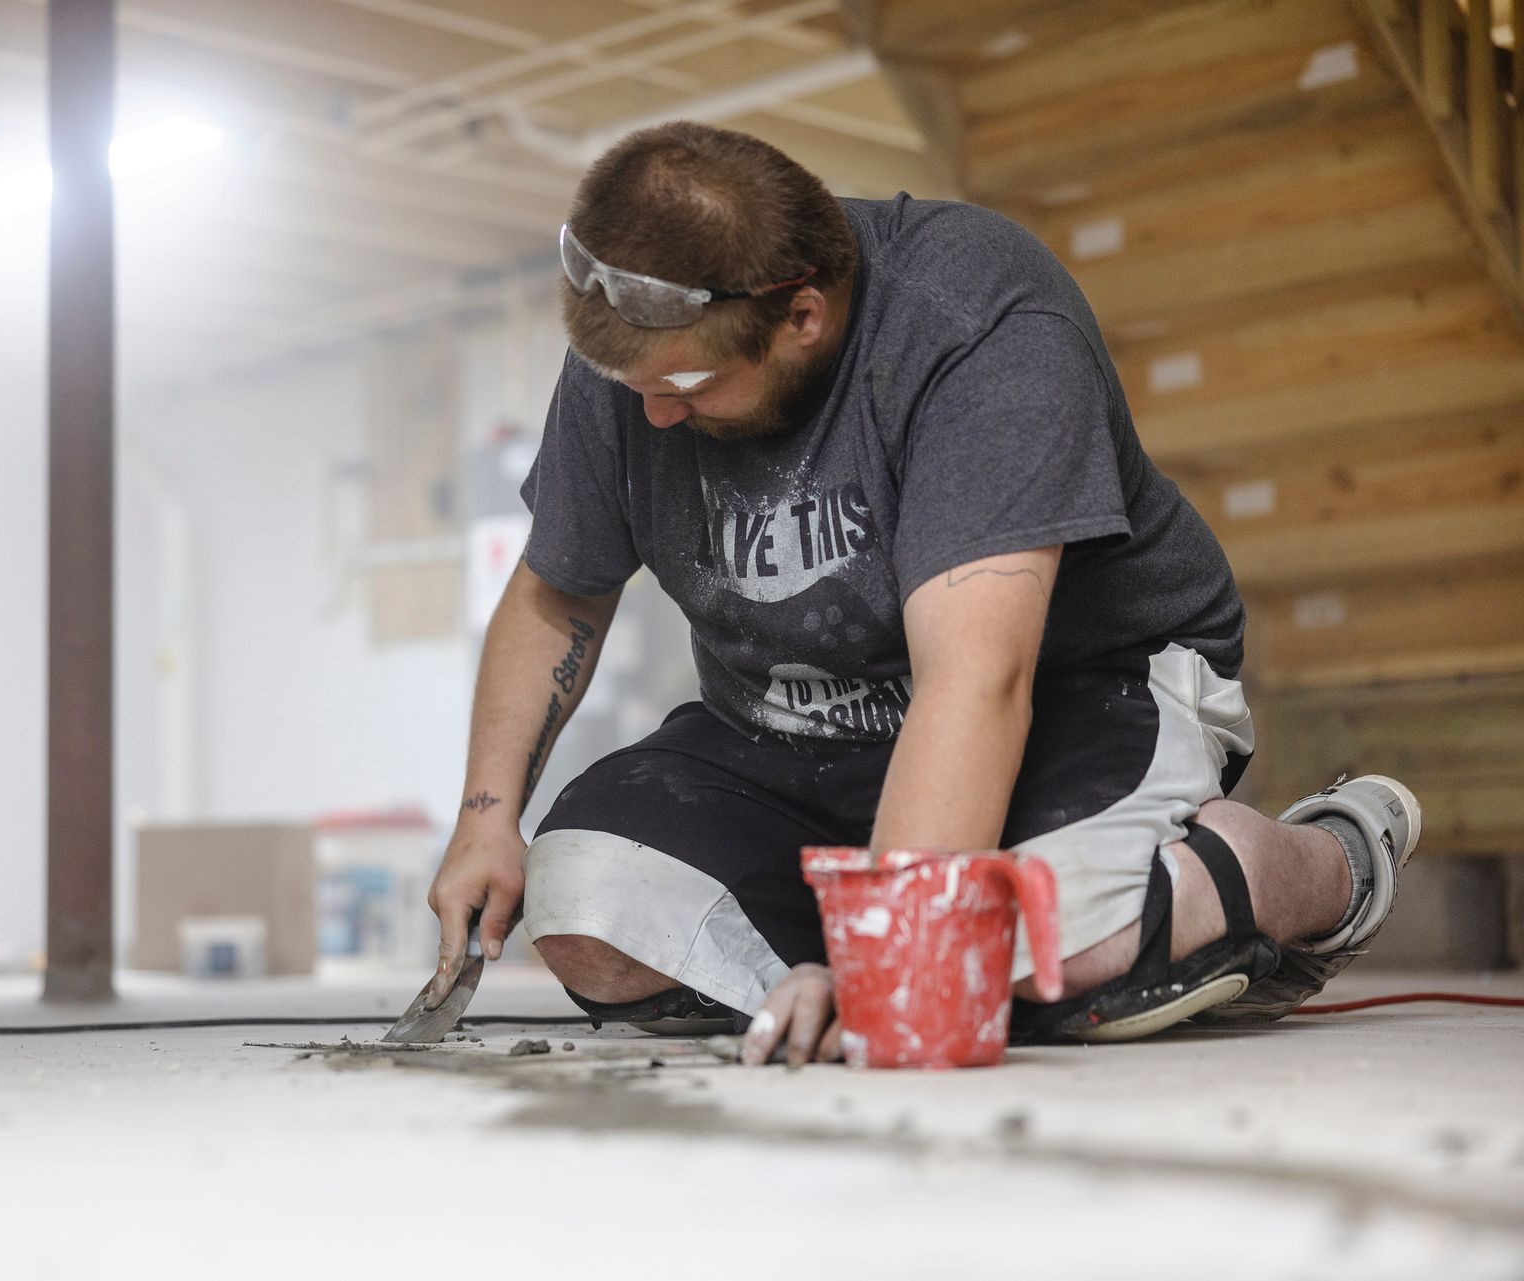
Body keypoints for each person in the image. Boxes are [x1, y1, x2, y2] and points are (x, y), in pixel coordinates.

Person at [423, 122, 1419, 1066]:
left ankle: (1325, 864)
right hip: (795, 735)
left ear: (802, 315)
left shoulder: (978, 325)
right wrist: (485, 816)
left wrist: (899, 963)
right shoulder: (645, 341)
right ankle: (892, 949)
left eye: (686, 386)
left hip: (1070, 700)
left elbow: (979, 678)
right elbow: (561, 592)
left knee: (1053, 951)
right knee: (585, 906)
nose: (652, 412)